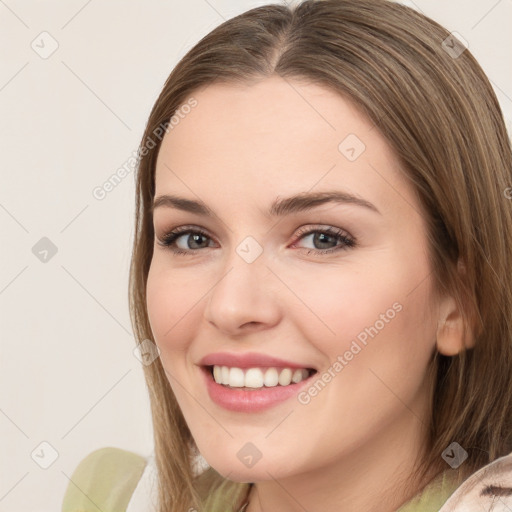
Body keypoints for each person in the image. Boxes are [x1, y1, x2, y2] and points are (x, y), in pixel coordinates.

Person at [61, 0, 512, 511]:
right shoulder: (109, 498)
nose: (231, 306)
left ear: (463, 299)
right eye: (192, 238)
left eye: (322, 238)